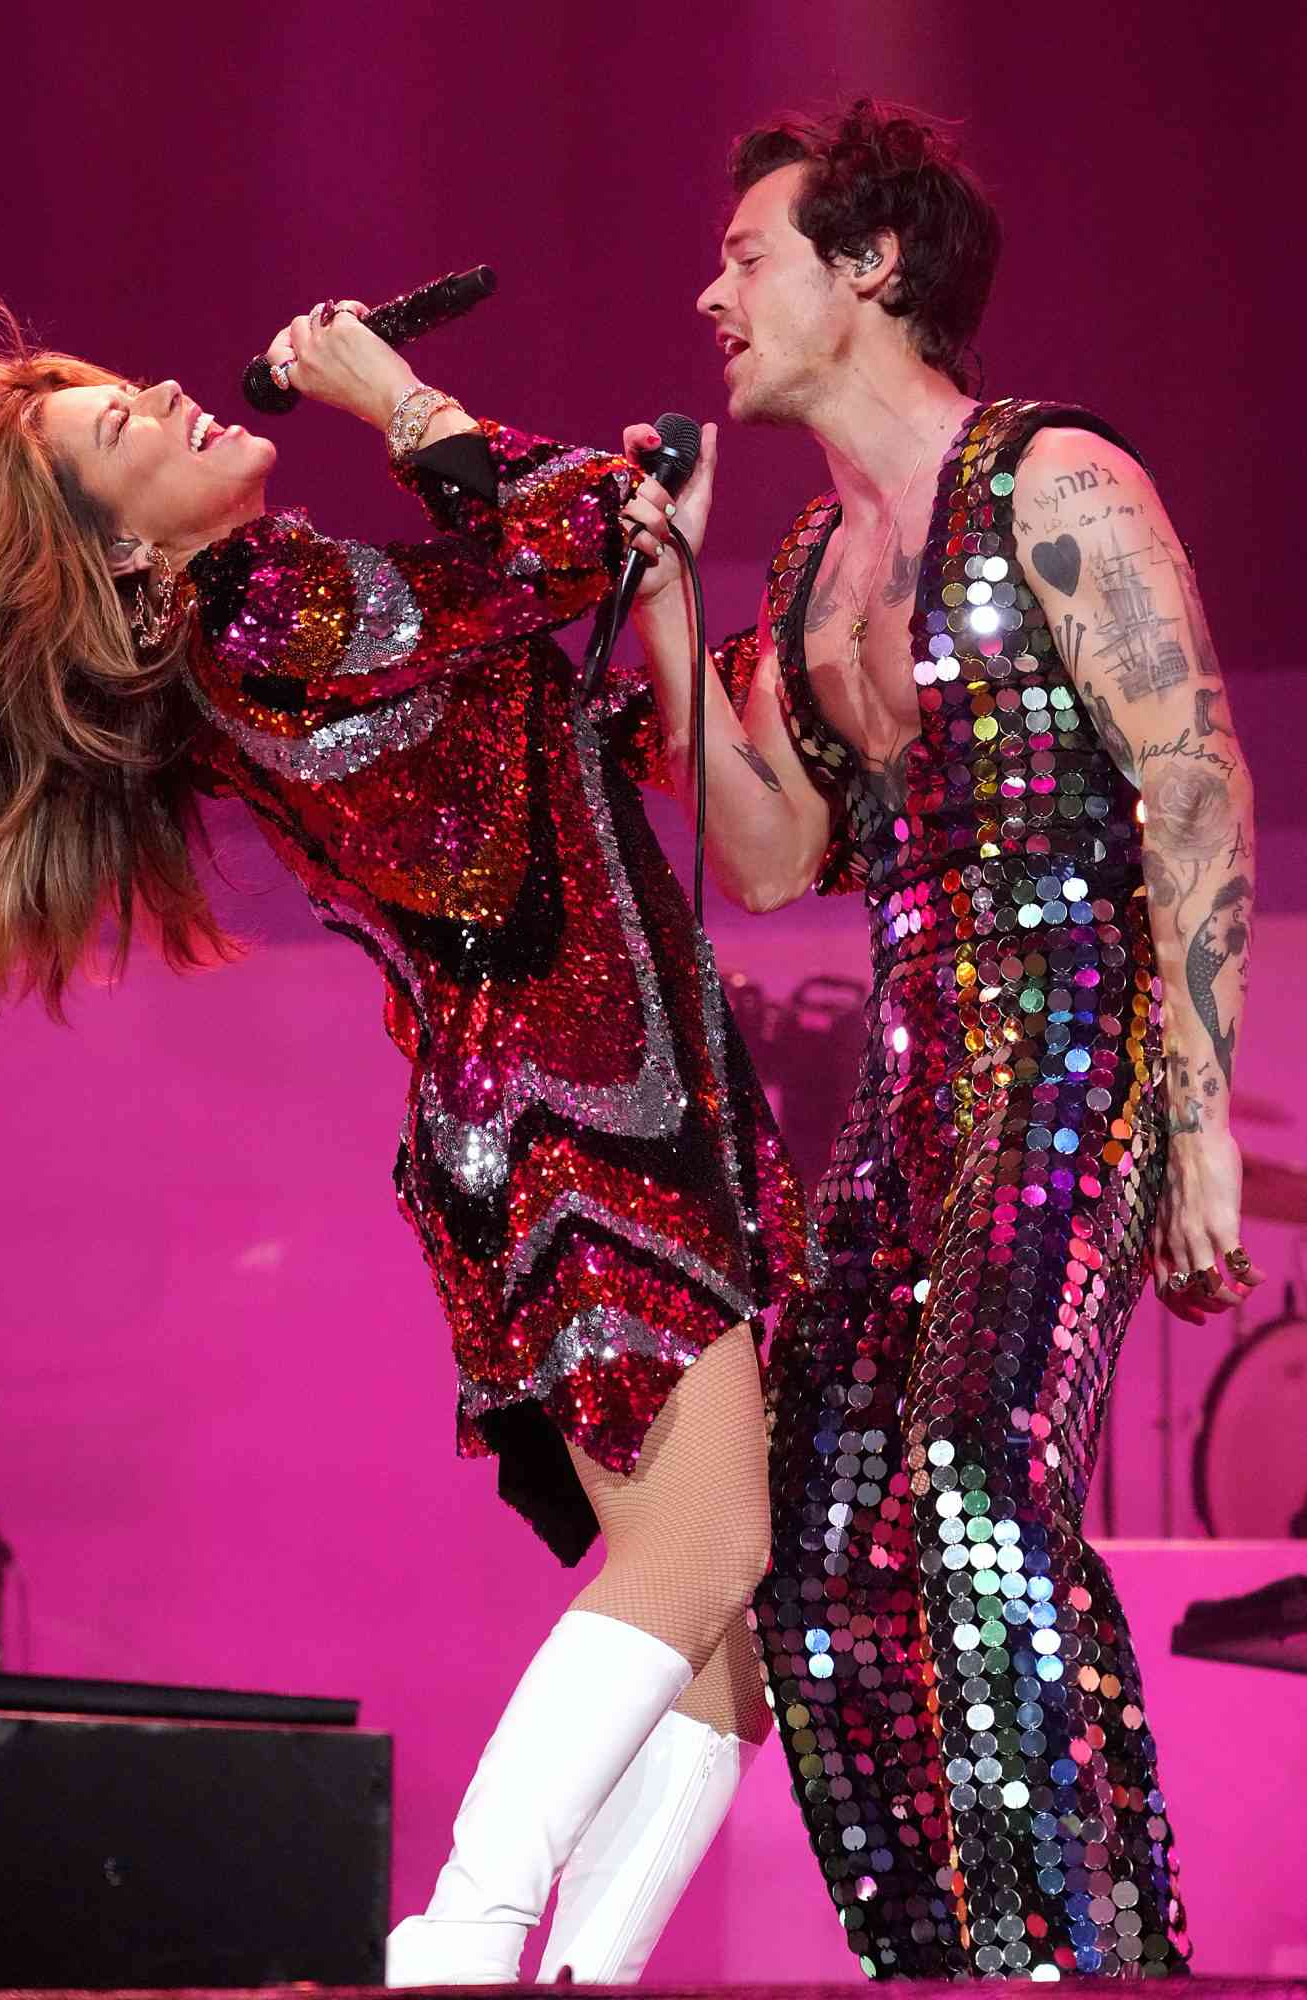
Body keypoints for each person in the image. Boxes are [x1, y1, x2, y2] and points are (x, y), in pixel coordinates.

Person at [0, 300, 807, 1985]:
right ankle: (459, 1947)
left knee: (724, 1654)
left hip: (589, 1119)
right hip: (575, 1131)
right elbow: (571, 533)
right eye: (114, 430)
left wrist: (637, 551)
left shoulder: (273, 608)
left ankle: (555, 1976)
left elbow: (560, 633)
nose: (161, 388)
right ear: (120, 567)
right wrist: (394, 390)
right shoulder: (264, 608)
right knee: (708, 1554)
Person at [614, 99, 1261, 1978]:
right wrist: (665, 593)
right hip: (915, 1098)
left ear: (869, 268)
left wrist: (1199, 1123)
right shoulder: (815, 569)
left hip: (1073, 1058)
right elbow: (763, 849)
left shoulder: (1052, 480)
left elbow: (1195, 787)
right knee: (805, 1544)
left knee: (975, 1475)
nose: (712, 290)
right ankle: (944, 1955)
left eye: (751, 254)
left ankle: (1084, 1954)